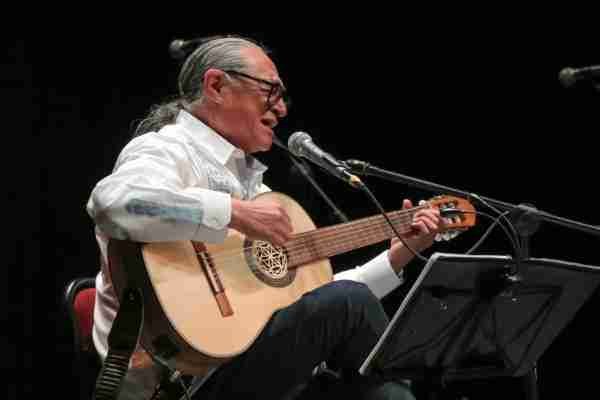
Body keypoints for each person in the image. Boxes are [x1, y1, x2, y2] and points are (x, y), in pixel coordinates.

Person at [86, 35, 441, 400]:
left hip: (238, 369)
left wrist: (397, 255)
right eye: (270, 90)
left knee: (352, 331)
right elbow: (114, 204)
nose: (282, 109)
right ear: (216, 85)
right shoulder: (166, 149)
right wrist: (233, 212)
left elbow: (318, 298)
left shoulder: (254, 186)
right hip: (175, 386)